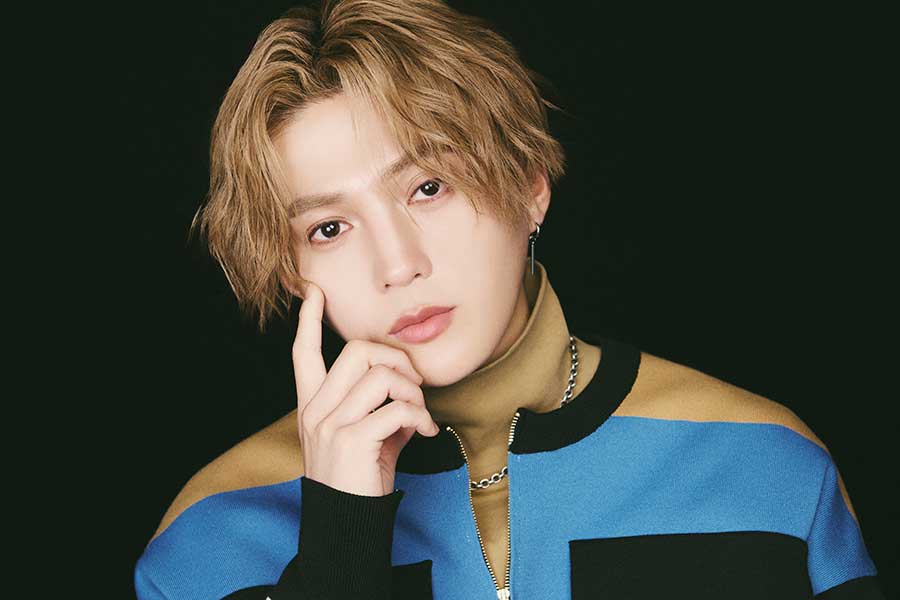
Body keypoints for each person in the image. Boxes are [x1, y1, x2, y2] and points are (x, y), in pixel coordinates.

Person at [134, 0, 884, 598]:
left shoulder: (765, 468)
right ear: (292, 272)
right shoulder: (209, 536)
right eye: (329, 228)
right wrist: (340, 545)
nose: (398, 265)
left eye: (430, 187)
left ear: (530, 186)